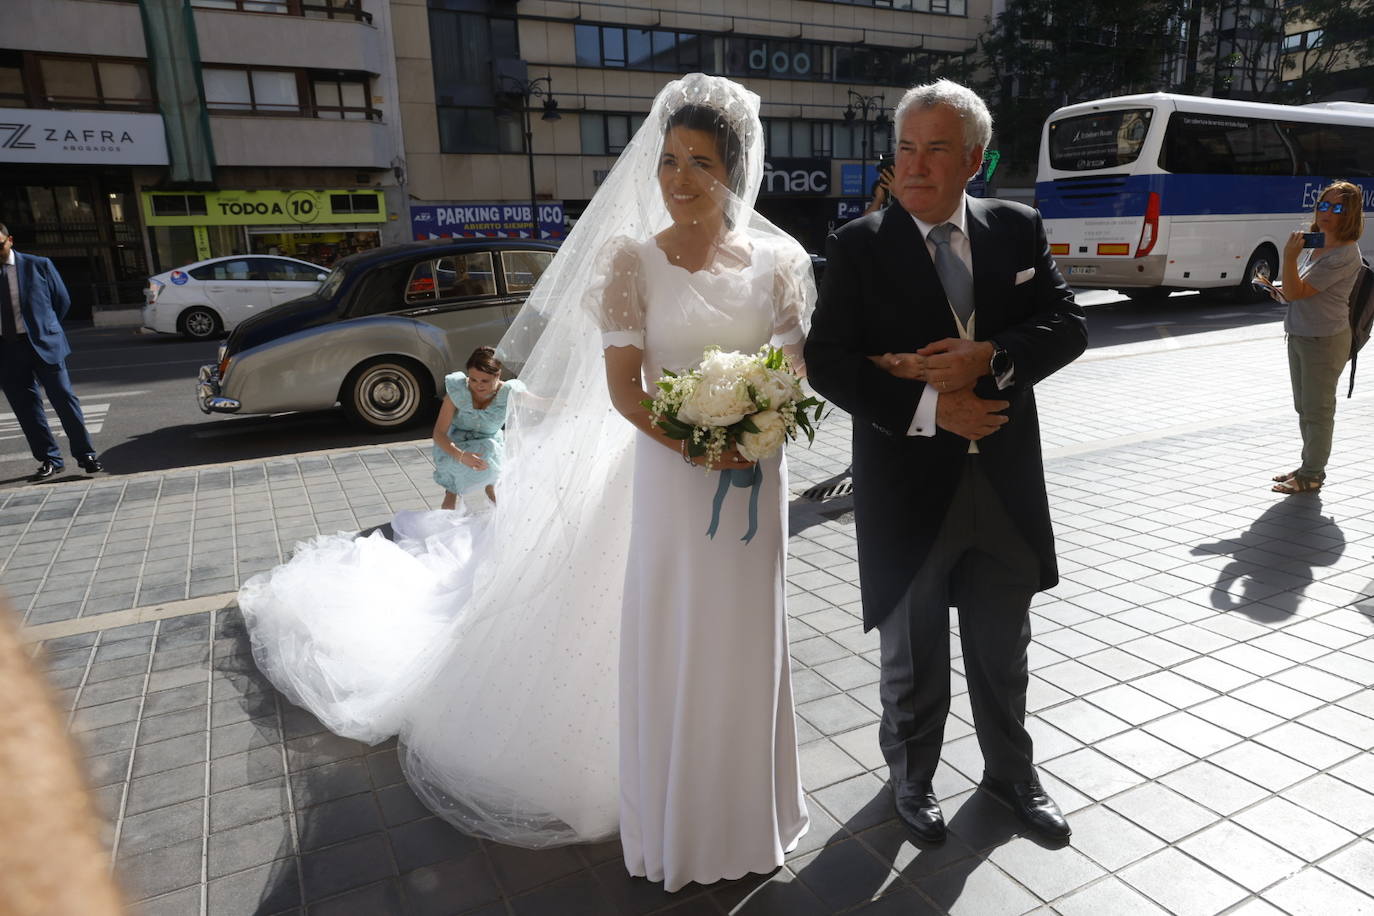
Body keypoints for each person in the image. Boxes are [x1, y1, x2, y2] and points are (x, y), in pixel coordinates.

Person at [238, 74, 815, 891]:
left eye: (702, 164)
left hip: (755, 478)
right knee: (680, 635)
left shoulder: (782, 261)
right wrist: (697, 445)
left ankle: (750, 809)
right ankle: (681, 822)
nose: (681, 181)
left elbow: (793, 366)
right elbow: (625, 390)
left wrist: (759, 424)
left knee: (748, 637)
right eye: (670, 161)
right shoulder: (632, 263)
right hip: (672, 481)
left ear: (737, 169)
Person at [804, 78, 1087, 845]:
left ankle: (1010, 775)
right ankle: (913, 777)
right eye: (906, 148)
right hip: (907, 488)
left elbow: (1067, 326)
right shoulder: (857, 245)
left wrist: (991, 358)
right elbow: (827, 362)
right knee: (913, 655)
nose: (916, 165)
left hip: (1003, 486)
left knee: (1004, 651)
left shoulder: (1017, 228)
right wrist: (932, 409)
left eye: (936, 149)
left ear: (974, 161)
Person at [1267, 181, 1365, 495]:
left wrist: (1289, 256)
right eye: (1323, 204)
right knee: (1304, 407)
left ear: (1349, 214)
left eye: (1337, 208)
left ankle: (1312, 475)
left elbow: (1299, 290)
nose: (1327, 212)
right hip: (1300, 333)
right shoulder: (1318, 242)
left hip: (1323, 339)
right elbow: (1297, 292)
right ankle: (1307, 464)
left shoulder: (1344, 253)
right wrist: (1281, 291)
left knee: (1318, 410)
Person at [0, 223, 102, 481]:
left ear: (9, 240)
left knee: (64, 399)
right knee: (26, 407)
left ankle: (86, 455)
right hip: (7, 348)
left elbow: (61, 300)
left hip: (44, 343)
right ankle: (49, 459)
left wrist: (46, 328)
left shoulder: (38, 265)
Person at [431, 345, 524, 508]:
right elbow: (438, 433)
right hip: (458, 441)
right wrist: (461, 455)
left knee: (489, 454)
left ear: (498, 375)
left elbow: (543, 403)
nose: (477, 385)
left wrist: (576, 401)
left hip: (489, 441)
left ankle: (491, 487)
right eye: (473, 379)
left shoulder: (509, 392)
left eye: (485, 381)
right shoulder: (458, 391)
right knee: (451, 464)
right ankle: (451, 491)